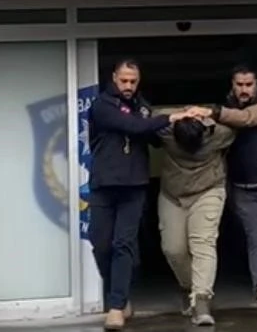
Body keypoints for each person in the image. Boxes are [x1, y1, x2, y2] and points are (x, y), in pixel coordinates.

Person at [88, 59, 198, 331]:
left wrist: (186, 124)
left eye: (133, 81)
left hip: (134, 185)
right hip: (104, 185)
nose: (128, 86)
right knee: (101, 245)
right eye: (124, 80)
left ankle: (116, 306)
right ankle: (120, 291)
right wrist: (169, 117)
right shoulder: (102, 105)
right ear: (114, 78)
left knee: (122, 244)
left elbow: (155, 138)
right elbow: (133, 127)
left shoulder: (143, 107)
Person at [187, 64, 257, 319]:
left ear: (256, 85)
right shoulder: (224, 112)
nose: (244, 89)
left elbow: (247, 118)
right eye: (239, 85)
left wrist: (213, 112)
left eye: (248, 84)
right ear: (232, 85)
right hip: (243, 189)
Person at [151, 108, 236, 326]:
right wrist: (203, 113)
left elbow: (154, 115)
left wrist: (182, 113)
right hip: (173, 195)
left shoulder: (167, 132)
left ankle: (201, 301)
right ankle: (188, 287)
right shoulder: (218, 134)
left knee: (203, 243)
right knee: (173, 249)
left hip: (208, 190)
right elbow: (234, 122)